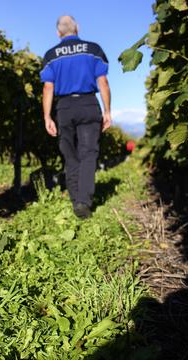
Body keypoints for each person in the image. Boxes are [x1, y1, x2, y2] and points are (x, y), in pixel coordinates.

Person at [40, 15, 111, 219]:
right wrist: (107, 111)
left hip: (64, 107)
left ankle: (75, 200)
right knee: (89, 153)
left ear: (58, 32)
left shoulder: (51, 55)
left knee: (70, 155)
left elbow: (48, 87)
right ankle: (83, 201)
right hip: (89, 104)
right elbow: (103, 82)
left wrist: (47, 117)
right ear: (77, 28)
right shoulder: (93, 49)